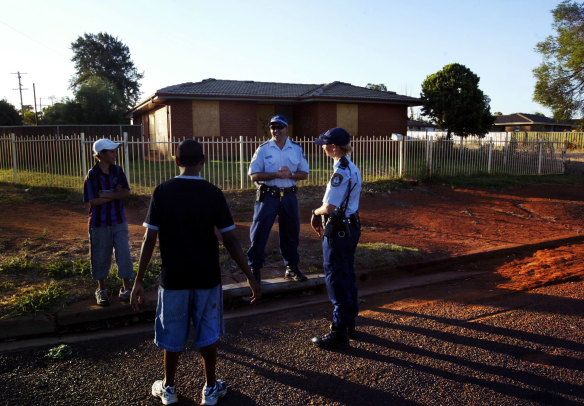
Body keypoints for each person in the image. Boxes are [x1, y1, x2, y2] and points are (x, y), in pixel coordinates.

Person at [130, 139, 261, 406]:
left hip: (174, 278)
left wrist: (138, 280)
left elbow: (149, 240)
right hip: (206, 277)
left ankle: (168, 388)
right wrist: (250, 276)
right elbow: (231, 241)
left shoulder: (162, 191)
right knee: (208, 333)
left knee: (172, 335)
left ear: (176, 162)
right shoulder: (213, 193)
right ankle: (210, 388)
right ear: (204, 160)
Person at [310, 128, 362, 350]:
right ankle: (348, 322)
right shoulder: (352, 167)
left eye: (324, 144)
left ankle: (339, 331)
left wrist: (315, 212)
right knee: (347, 273)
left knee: (336, 277)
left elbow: (329, 207)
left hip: (339, 230)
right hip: (350, 226)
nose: (322, 147)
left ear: (333, 148)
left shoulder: (340, 171)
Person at [247, 115, 310, 283]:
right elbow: (254, 175)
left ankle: (291, 268)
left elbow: (304, 173)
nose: (276, 131)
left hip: (289, 196)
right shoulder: (263, 149)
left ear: (286, 128)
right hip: (268, 195)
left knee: (290, 232)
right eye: (273, 127)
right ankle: (254, 269)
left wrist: (291, 174)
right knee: (259, 232)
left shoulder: (295, 149)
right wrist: (275, 174)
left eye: (280, 127)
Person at [83, 138, 134, 306]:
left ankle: (126, 288)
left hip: (119, 220)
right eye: (111, 151)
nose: (115, 154)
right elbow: (92, 201)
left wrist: (104, 194)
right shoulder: (92, 175)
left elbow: (125, 193)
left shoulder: (117, 171)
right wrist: (114, 193)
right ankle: (101, 289)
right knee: (100, 255)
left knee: (124, 254)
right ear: (101, 154)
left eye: (114, 151)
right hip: (99, 223)